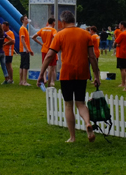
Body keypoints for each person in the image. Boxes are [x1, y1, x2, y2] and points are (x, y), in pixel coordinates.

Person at [37, 10, 101, 143]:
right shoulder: (86, 34)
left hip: (67, 73)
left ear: (63, 22)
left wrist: (42, 74)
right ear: (74, 20)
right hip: (82, 72)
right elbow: (92, 57)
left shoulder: (60, 35)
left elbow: (49, 55)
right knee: (81, 103)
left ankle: (72, 137)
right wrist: (96, 75)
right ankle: (87, 123)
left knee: (68, 105)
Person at [33, 18, 57, 87]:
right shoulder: (53, 30)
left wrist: (41, 44)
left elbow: (33, 37)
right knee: (51, 68)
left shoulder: (42, 29)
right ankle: (49, 84)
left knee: (44, 66)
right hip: (51, 50)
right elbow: (55, 37)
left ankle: (43, 79)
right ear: (53, 23)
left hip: (44, 50)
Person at [113, 22, 126, 90]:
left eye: (120, 25)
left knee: (122, 69)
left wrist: (116, 44)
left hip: (121, 53)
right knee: (125, 68)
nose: (119, 27)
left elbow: (115, 42)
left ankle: (123, 83)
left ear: (122, 26)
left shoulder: (122, 34)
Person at [17, 16, 33, 86]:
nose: (27, 20)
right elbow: (22, 39)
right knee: (25, 66)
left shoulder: (24, 28)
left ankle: (21, 81)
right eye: (26, 19)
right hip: (24, 50)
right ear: (23, 21)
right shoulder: (23, 28)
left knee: (22, 65)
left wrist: (29, 49)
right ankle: (24, 81)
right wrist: (26, 49)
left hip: (24, 49)